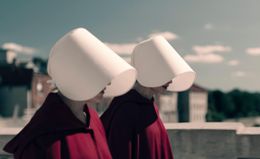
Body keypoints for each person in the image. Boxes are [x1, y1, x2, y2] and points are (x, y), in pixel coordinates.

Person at [3, 28, 137, 159]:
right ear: (76, 75)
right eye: (98, 75)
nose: (107, 84)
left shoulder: (94, 119)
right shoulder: (40, 139)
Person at [100, 36, 196, 159]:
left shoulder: (149, 105)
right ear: (150, 71)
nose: (171, 81)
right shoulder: (126, 110)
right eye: (165, 73)